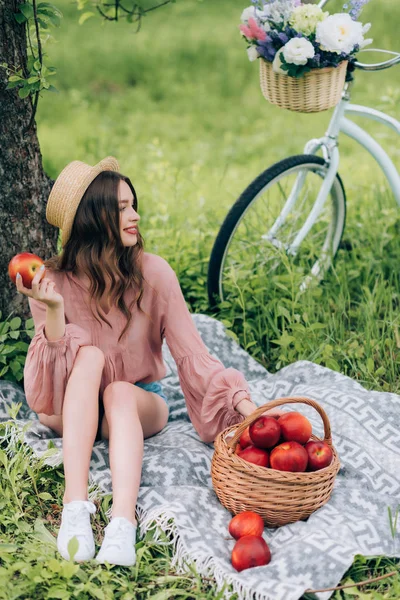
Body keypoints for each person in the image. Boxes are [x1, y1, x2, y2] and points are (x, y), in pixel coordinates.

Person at [16, 157, 262, 568]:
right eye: (122, 208)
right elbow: (52, 373)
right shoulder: (50, 283)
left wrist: (245, 407)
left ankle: (122, 524)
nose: (136, 216)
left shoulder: (155, 274)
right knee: (88, 356)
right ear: (94, 219)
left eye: (133, 205)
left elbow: (193, 356)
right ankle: (75, 508)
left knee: (118, 391)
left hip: (134, 403)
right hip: (69, 404)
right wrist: (54, 308)